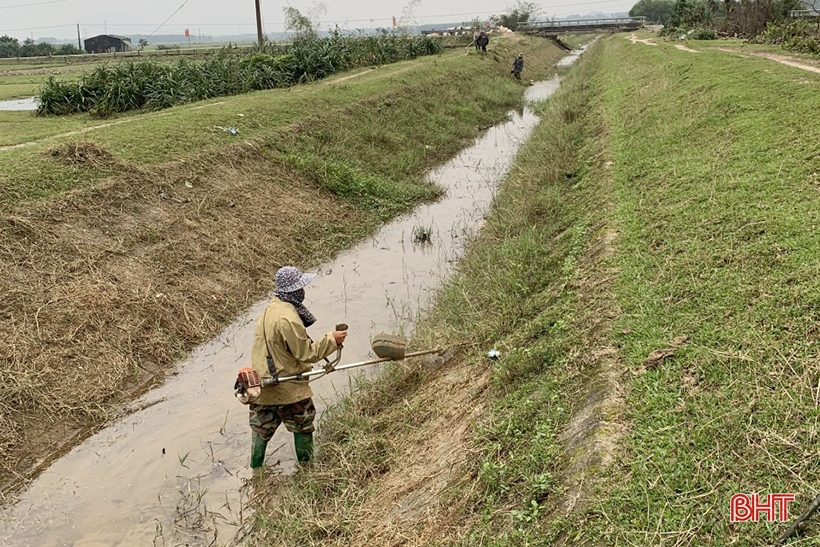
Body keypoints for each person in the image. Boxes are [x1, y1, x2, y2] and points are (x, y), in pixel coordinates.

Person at [247, 265, 348, 475]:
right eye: (301, 287)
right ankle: (307, 471)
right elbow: (306, 354)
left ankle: (256, 472)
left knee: (260, 428)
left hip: (262, 386)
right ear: (294, 290)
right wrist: (332, 340)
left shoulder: (268, 311)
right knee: (302, 425)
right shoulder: (289, 318)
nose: (304, 291)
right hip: (288, 386)